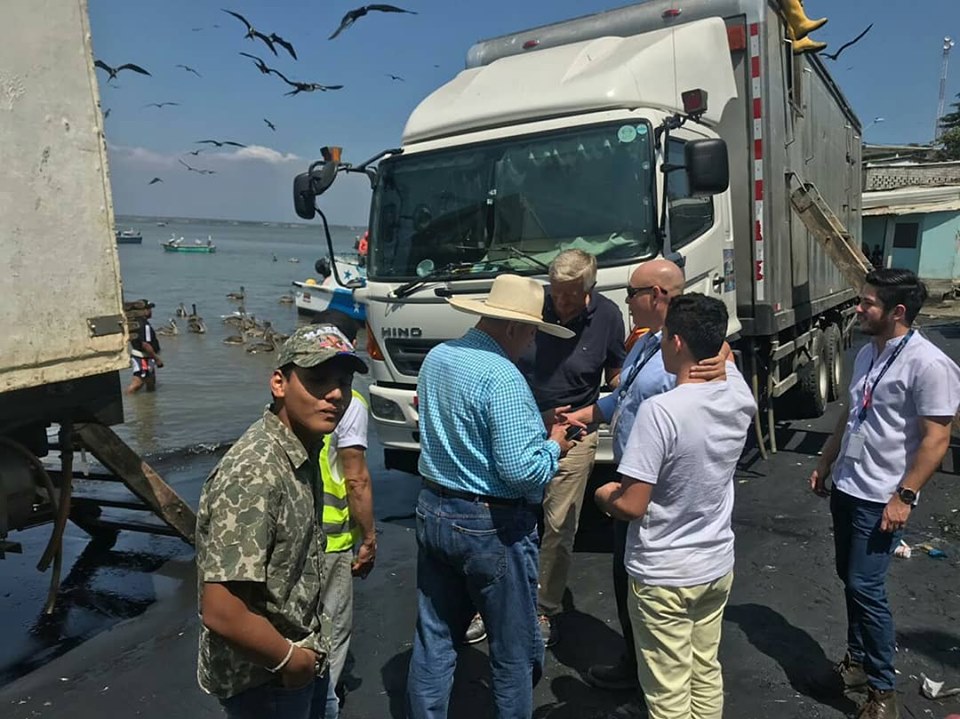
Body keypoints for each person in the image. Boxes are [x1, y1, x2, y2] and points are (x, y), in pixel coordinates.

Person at [406, 274, 580, 719]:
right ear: (514, 327)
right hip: (489, 523)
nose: (532, 342)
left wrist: (534, 420)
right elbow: (522, 473)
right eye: (532, 332)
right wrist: (555, 444)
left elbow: (462, 426)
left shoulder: (439, 357)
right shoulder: (504, 377)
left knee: (435, 636)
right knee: (513, 650)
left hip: (434, 505)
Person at [560, 259, 728, 697]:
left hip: (656, 488)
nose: (627, 302)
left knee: (655, 592)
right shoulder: (647, 342)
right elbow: (624, 396)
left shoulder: (695, 355)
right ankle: (636, 663)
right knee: (626, 581)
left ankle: (653, 686)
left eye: (631, 294)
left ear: (656, 295)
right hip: (633, 474)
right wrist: (583, 416)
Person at [595, 294, 756, 719]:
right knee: (704, 671)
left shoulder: (661, 412)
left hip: (664, 572)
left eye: (664, 336)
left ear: (678, 342)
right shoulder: (739, 395)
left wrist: (604, 495)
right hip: (715, 563)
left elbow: (632, 504)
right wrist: (722, 354)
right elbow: (726, 354)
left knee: (667, 694)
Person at [195, 325, 368, 719]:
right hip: (266, 677)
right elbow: (222, 612)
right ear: (279, 383)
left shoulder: (305, 448)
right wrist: (292, 661)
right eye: (317, 380)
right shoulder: (255, 473)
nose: (335, 394)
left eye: (344, 382)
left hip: (303, 651)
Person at [809, 268, 960, 719]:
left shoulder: (928, 364)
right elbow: (852, 414)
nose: (858, 309)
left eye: (867, 303)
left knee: (865, 586)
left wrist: (905, 496)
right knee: (850, 579)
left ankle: (882, 692)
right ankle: (857, 663)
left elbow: (937, 439)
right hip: (849, 486)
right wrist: (826, 461)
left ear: (897, 311)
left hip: (882, 495)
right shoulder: (866, 353)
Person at [519, 249, 624, 648]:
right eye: (556, 292)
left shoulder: (608, 316)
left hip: (575, 431)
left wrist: (640, 385)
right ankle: (493, 600)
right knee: (508, 516)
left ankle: (544, 606)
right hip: (521, 424)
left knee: (559, 526)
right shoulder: (533, 304)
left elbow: (616, 372)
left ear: (588, 289)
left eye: (570, 295)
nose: (560, 302)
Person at [311, 310, 376, 719]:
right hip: (333, 537)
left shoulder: (293, 390)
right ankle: (324, 705)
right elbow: (356, 478)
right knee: (333, 630)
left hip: (297, 532)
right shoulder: (349, 401)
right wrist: (369, 537)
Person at [126, 301, 163, 394]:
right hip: (143, 357)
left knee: (151, 382)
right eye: (149, 309)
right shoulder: (144, 325)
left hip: (145, 356)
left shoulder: (135, 323)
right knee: (138, 383)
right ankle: (127, 398)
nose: (150, 311)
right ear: (143, 311)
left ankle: (148, 402)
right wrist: (157, 359)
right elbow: (145, 345)